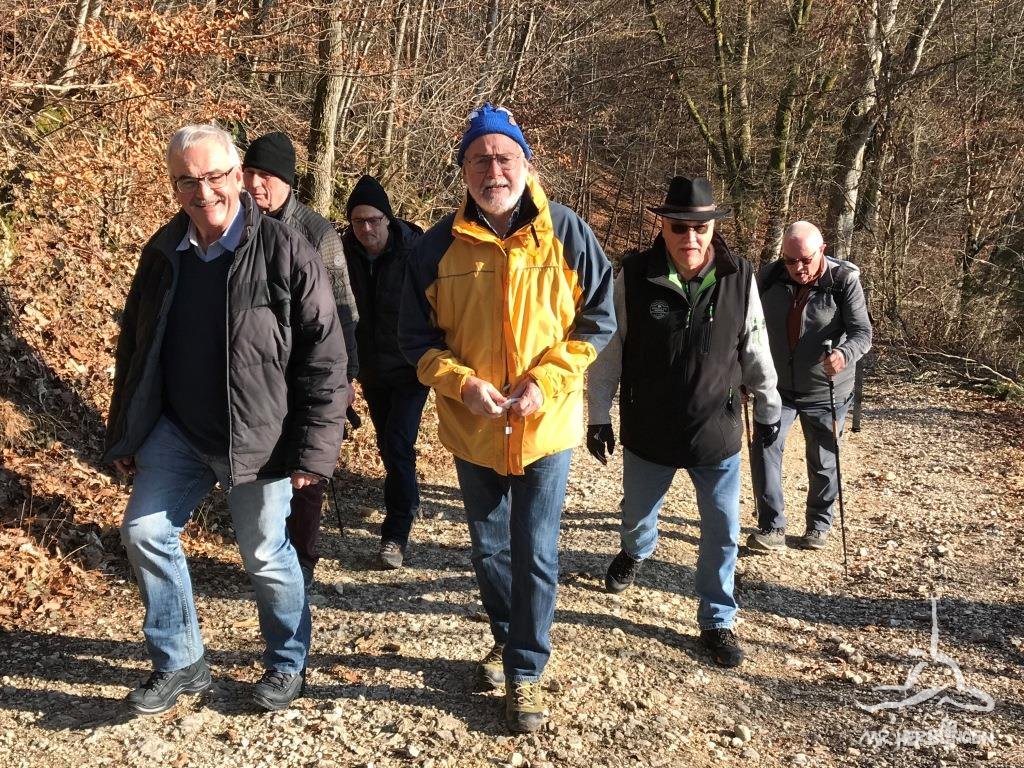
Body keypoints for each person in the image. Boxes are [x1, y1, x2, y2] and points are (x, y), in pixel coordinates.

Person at [105, 124, 347, 714]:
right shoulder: (163, 252)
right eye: (187, 181)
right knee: (144, 532)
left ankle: (287, 661)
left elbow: (325, 356)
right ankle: (180, 660)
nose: (203, 191)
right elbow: (135, 348)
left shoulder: (287, 250)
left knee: (265, 555)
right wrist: (127, 432)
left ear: (239, 177)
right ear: (174, 187)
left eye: (214, 176)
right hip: (178, 430)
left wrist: (314, 452)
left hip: (261, 438)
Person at [400, 104, 615, 732]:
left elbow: (597, 321)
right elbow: (414, 339)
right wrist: (461, 384)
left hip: (545, 426)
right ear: (463, 171)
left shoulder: (566, 232)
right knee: (490, 547)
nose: (493, 171)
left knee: (536, 549)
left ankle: (525, 668)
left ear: (526, 164)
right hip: (474, 427)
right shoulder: (435, 246)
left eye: (504, 158)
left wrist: (547, 382)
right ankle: (505, 636)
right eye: (479, 160)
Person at [586, 176, 781, 668]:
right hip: (649, 430)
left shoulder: (739, 277)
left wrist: (769, 405)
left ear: (712, 228)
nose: (689, 237)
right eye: (679, 227)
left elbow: (755, 345)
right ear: (663, 227)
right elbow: (609, 351)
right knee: (636, 518)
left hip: (716, 432)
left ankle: (717, 619)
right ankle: (636, 551)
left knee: (722, 529)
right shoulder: (633, 275)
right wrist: (597, 415)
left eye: (700, 227)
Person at [242, 131, 359, 587]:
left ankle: (303, 560)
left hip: (309, 366)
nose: (255, 183)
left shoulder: (316, 232)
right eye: (249, 173)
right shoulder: (235, 226)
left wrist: (348, 376)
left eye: (266, 175)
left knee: (307, 467)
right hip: (259, 371)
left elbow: (344, 308)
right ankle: (269, 551)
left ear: (287, 181)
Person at [746, 220, 872, 553]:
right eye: (791, 261)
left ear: (822, 251)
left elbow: (863, 333)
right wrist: (743, 373)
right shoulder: (769, 277)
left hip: (826, 390)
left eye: (806, 260)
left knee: (824, 459)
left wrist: (844, 354)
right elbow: (747, 326)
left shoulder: (843, 282)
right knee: (765, 449)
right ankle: (772, 526)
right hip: (776, 387)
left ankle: (818, 525)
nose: (798, 268)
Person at [341, 175, 427, 569]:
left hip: (412, 369)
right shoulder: (343, 254)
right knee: (389, 444)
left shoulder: (415, 252)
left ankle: (395, 533)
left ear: (388, 219)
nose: (366, 229)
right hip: (372, 370)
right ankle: (408, 497)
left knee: (396, 443)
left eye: (373, 220)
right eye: (358, 221)